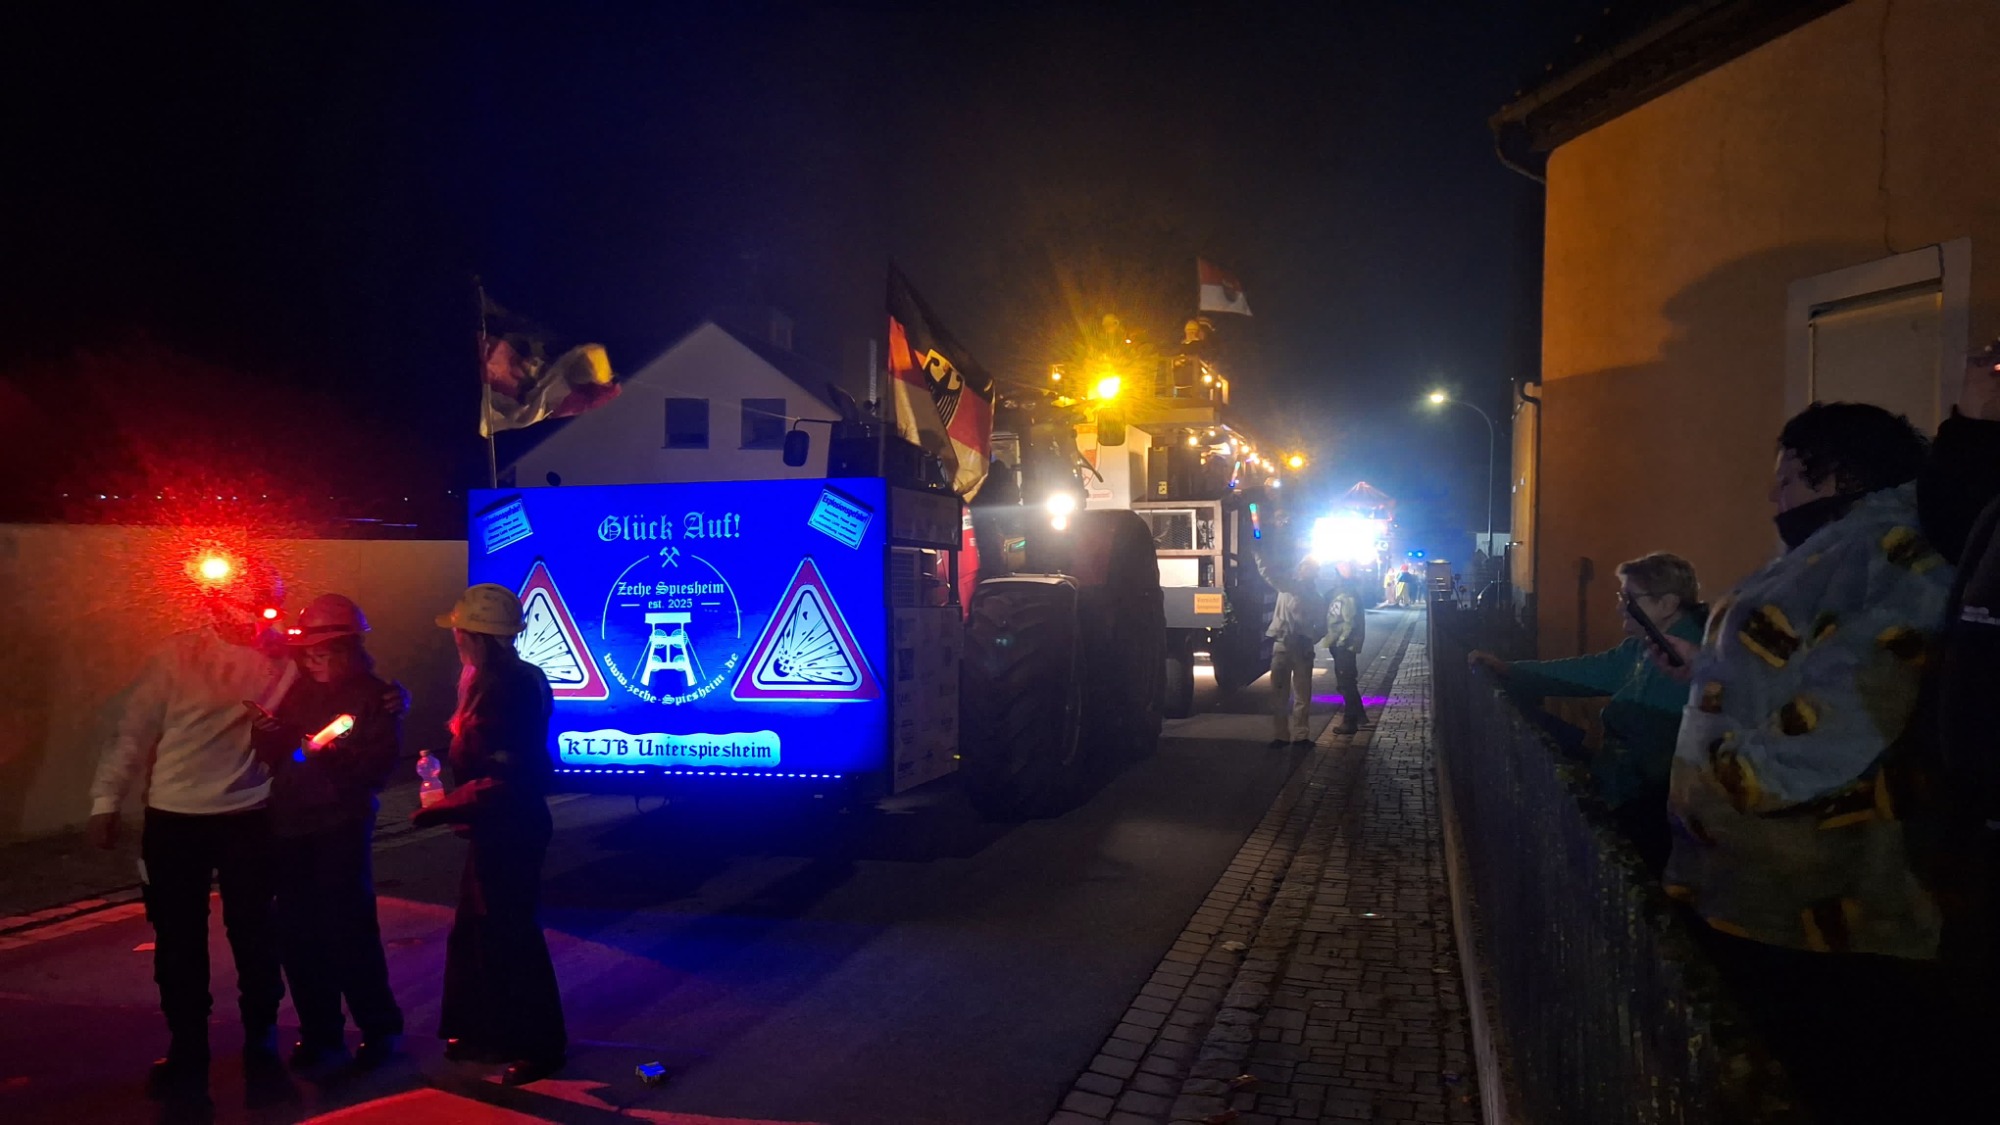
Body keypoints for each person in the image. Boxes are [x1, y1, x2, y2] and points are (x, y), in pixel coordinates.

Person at [1644, 401, 1989, 1123]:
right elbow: (1800, 662)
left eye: (1788, 479)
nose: (1774, 497)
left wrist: (1738, 776)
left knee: (1804, 1072)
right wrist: (1704, 669)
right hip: (1763, 888)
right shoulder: (1840, 547)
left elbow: (1871, 687)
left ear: (1840, 474)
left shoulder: (1893, 552)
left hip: (1815, 902)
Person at [89, 560, 294, 1096]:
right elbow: (132, 729)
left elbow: (337, 688)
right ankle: (188, 1045)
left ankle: (261, 1044)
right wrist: (106, 799)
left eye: (270, 609)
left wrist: (387, 698)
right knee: (178, 939)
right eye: (255, 609)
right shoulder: (178, 655)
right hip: (175, 818)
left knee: (255, 934)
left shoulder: (283, 659)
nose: (261, 622)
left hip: (248, 814)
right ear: (219, 604)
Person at [413, 583, 566, 1086]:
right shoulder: (497, 679)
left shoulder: (506, 686)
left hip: (509, 822)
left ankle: (539, 1046)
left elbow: (507, 771)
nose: (454, 638)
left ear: (474, 635)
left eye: (459, 630)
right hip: (500, 820)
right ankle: (484, 1031)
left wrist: (446, 808)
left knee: (509, 932)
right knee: (478, 930)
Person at [1468, 551, 1704, 873]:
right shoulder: (1645, 648)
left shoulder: (1690, 660)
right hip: (1629, 795)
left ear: (1667, 604)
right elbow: (1590, 670)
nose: (1621, 606)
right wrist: (1511, 670)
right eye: (1622, 597)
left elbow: (1653, 752)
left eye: (1630, 598)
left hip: (1648, 814)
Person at [250, 594, 404, 1069]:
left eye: (324, 653)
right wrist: (270, 737)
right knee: (297, 934)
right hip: (290, 825)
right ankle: (320, 1033)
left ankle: (379, 1029)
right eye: (309, 653)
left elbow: (378, 768)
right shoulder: (295, 690)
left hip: (340, 825)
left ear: (349, 648)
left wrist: (332, 757)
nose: (314, 661)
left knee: (349, 928)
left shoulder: (374, 697)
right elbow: (276, 754)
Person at [1257, 551, 1324, 749]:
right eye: (1305, 566)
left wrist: (1310, 639)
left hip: (1299, 648)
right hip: (1284, 645)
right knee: (1281, 693)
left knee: (1301, 694)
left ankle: (1299, 736)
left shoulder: (1314, 597)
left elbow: (1322, 626)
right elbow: (1268, 573)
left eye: (1310, 568)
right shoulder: (1288, 587)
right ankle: (1282, 736)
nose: (1306, 570)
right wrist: (1258, 552)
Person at [1324, 562, 1367, 736]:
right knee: (1347, 681)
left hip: (1344, 645)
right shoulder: (1339, 593)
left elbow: (1350, 622)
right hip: (1340, 643)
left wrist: (1341, 642)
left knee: (1346, 683)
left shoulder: (1347, 595)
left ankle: (1350, 721)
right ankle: (1360, 716)